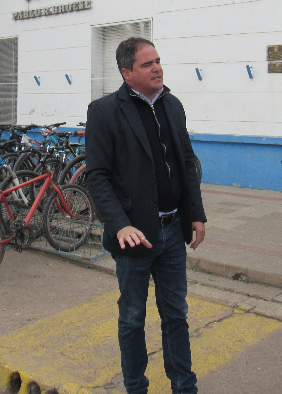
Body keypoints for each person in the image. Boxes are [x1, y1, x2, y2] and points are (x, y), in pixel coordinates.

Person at [85, 37, 206, 394]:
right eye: (147, 64)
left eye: (158, 61)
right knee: (132, 318)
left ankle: (184, 387)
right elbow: (97, 175)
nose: (157, 68)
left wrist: (195, 214)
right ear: (127, 73)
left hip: (172, 232)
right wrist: (119, 224)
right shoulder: (105, 111)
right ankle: (135, 387)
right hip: (135, 235)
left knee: (176, 317)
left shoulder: (173, 104)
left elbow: (185, 163)